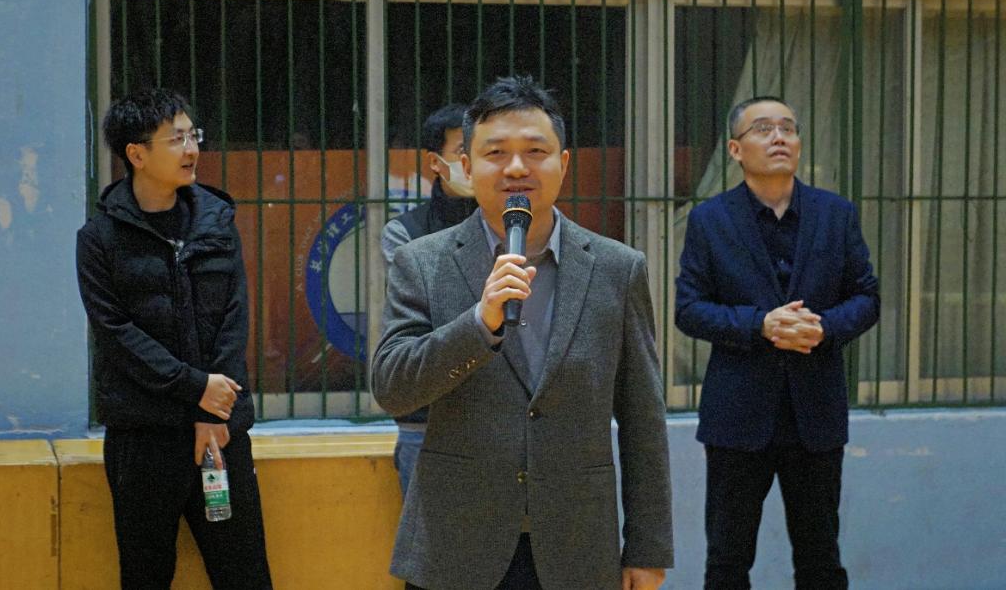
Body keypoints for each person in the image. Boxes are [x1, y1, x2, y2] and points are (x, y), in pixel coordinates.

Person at [372, 76, 673, 590]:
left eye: (536, 151)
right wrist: (477, 324)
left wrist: (647, 548)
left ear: (563, 163)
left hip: (577, 548)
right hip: (455, 546)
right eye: (496, 153)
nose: (516, 168)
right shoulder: (421, 261)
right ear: (467, 166)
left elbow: (644, 418)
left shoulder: (617, 268)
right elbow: (392, 387)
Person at [675, 96, 880, 589]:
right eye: (763, 129)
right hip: (737, 416)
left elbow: (867, 297)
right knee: (727, 562)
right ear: (735, 149)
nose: (779, 138)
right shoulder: (710, 219)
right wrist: (759, 325)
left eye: (788, 128)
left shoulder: (836, 214)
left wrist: (824, 327)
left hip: (816, 414)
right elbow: (689, 309)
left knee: (821, 560)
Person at [76, 88, 272, 589]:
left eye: (192, 135)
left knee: (245, 575)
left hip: (221, 434)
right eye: (176, 139)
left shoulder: (216, 220)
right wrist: (194, 387)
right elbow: (116, 333)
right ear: (136, 154)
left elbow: (234, 316)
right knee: (145, 576)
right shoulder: (99, 239)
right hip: (144, 436)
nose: (191, 150)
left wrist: (213, 411)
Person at [381, 103, 478, 495]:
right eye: (462, 151)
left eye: (483, 149)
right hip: (425, 418)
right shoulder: (404, 232)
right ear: (436, 162)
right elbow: (425, 312)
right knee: (426, 532)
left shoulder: (514, 222)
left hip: (499, 412)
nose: (473, 162)